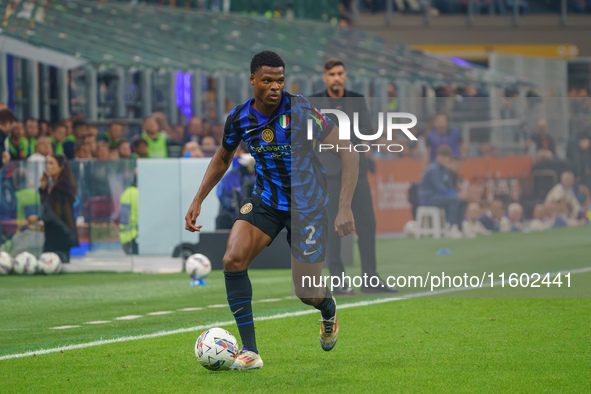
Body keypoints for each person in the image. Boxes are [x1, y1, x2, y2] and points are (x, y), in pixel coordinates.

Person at [184, 51, 358, 370]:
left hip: (308, 207)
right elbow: (222, 158)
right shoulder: (239, 118)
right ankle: (250, 351)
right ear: (253, 80)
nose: (275, 86)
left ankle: (328, 307)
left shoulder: (301, 110)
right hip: (266, 200)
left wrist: (344, 206)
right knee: (232, 259)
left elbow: (348, 151)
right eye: (267, 80)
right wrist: (198, 199)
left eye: (279, 80)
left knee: (306, 292)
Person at [310, 58, 396, 295]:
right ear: (325, 77)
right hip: (328, 172)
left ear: (345, 76)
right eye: (332, 74)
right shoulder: (313, 101)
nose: (336, 78)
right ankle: (337, 281)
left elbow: (366, 130)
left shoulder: (356, 99)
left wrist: (381, 139)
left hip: (356, 171)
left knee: (368, 223)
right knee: (332, 228)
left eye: (340, 73)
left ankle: (371, 278)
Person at [418, 145, 466, 238]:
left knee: (462, 200)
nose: (447, 160)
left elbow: (449, 187)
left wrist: (459, 194)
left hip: (438, 197)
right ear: (439, 157)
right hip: (428, 198)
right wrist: (457, 195)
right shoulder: (434, 169)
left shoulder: (445, 170)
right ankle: (450, 227)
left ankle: (458, 227)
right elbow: (440, 189)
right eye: (446, 158)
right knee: (455, 199)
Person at [39, 154, 78, 263]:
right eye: (47, 163)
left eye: (51, 163)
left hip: (60, 237)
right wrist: (43, 189)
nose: (47, 166)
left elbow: (52, 213)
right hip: (55, 235)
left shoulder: (62, 187)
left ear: (61, 167)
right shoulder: (54, 185)